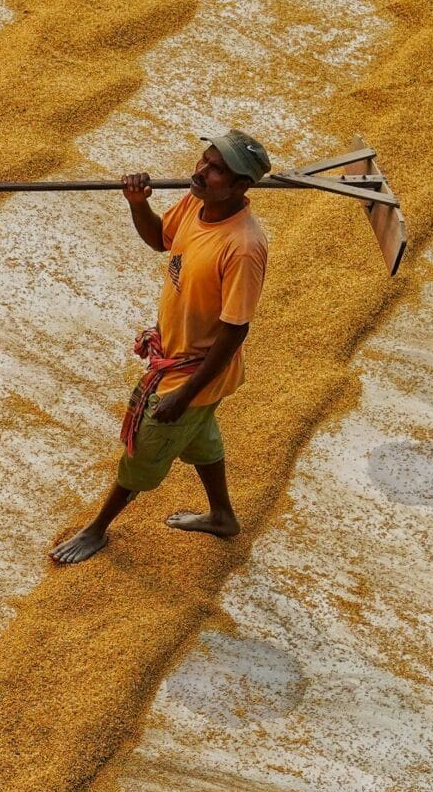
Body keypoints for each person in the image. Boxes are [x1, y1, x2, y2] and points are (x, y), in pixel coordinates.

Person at [50, 128, 272, 565]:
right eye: (204, 162)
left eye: (216, 170)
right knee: (200, 438)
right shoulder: (197, 201)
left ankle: (98, 529)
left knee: (144, 451)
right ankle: (223, 516)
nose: (202, 172)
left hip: (194, 372)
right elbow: (159, 240)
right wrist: (138, 203)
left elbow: (234, 331)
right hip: (179, 358)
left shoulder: (243, 247)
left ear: (242, 186)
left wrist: (183, 394)